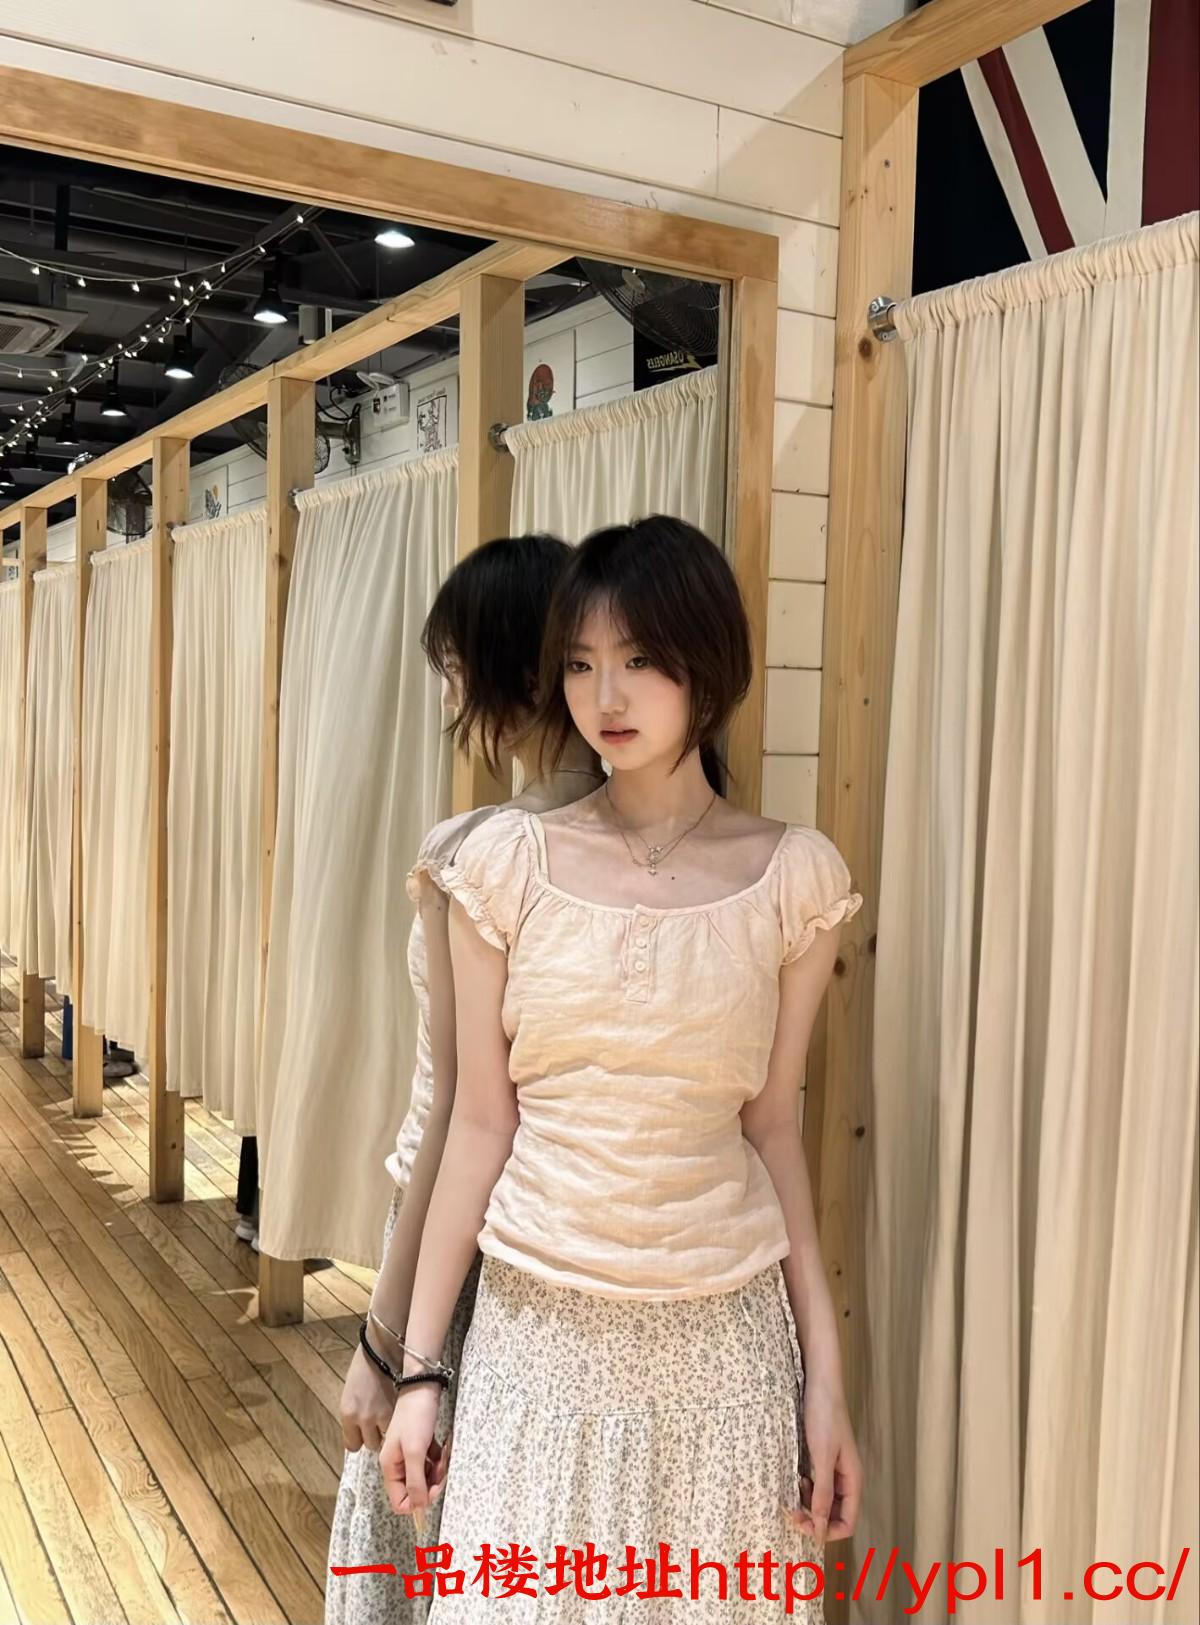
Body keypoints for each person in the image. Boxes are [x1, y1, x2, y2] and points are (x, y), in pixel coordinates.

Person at [381, 515, 865, 1622]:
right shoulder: (503, 865)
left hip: (723, 1352)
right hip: (537, 1343)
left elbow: (774, 1131)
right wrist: (418, 1368)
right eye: (582, 662)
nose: (607, 694)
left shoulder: (793, 878)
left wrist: (825, 1384)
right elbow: (478, 1127)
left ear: (709, 665)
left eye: (641, 658)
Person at [326, 532, 606, 1625]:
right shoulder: (642, 845)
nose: (450, 696)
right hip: (560, 1250)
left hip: (464, 1235)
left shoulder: (474, 852)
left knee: (436, 1535)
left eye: (454, 669)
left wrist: (382, 1339)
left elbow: (454, 1114)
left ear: (509, 672)